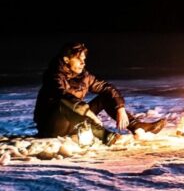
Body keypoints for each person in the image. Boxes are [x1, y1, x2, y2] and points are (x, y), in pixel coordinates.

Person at [34, 42, 164, 144]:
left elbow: (107, 88)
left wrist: (120, 108)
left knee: (105, 97)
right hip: (53, 126)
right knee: (64, 102)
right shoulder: (53, 76)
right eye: (79, 59)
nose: (83, 63)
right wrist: (88, 113)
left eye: (84, 59)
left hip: (75, 122)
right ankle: (103, 135)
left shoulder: (84, 76)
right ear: (66, 60)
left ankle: (137, 127)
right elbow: (62, 97)